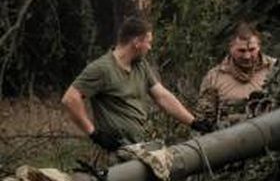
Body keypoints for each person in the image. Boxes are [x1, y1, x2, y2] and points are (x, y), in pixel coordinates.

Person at [61, 16, 214, 151]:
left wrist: (193, 122)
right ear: (136, 42)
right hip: (115, 150)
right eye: (148, 42)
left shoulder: (141, 66)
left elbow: (163, 97)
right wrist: (94, 134)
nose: (150, 47)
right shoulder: (102, 68)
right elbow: (70, 98)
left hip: (139, 147)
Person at [198, 22, 275, 127]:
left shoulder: (275, 69)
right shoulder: (214, 78)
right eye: (241, 51)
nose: (247, 56)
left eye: (252, 50)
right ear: (230, 48)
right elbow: (204, 122)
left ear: (259, 46)